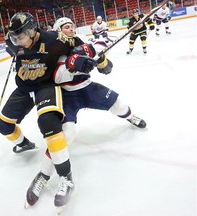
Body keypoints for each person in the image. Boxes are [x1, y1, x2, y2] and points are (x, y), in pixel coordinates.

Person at [26, 17, 147, 208]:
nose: (70, 29)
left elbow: (104, 62)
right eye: (66, 27)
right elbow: (56, 76)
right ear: (58, 31)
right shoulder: (52, 48)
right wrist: (73, 65)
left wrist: (101, 61)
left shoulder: (81, 40)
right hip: (67, 96)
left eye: (72, 26)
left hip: (87, 88)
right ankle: (43, 174)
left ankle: (131, 117)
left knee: (118, 104)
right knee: (66, 135)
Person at [0, 12, 96, 209]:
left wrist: (81, 58)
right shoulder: (14, 39)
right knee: (2, 125)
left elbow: (78, 44)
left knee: (49, 125)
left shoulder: (55, 39)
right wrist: (13, 49)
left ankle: (66, 177)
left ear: (32, 30)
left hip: (46, 87)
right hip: (24, 88)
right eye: (14, 37)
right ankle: (24, 144)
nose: (17, 41)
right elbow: (10, 45)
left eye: (20, 37)